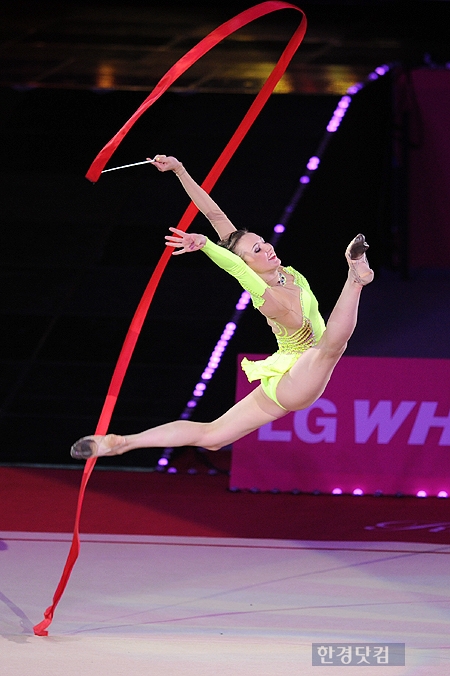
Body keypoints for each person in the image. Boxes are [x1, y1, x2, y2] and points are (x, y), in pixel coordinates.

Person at [70, 154, 373, 460]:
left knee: (213, 436)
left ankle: (122, 442)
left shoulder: (287, 273)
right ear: (246, 263)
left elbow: (214, 214)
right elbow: (236, 269)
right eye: (256, 250)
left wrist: (180, 170)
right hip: (299, 378)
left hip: (284, 378)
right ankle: (355, 278)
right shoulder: (265, 295)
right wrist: (206, 246)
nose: (267, 247)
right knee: (330, 347)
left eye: (263, 241)